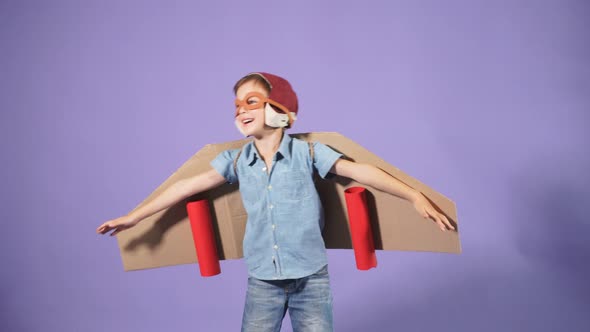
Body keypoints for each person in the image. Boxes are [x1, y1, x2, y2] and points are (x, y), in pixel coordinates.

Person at [97, 72, 454, 332]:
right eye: (236, 105)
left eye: (250, 101)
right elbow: (188, 186)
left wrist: (414, 196)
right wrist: (134, 217)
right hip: (263, 282)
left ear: (280, 110)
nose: (240, 110)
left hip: (311, 279)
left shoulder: (308, 153)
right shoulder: (236, 162)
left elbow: (361, 172)